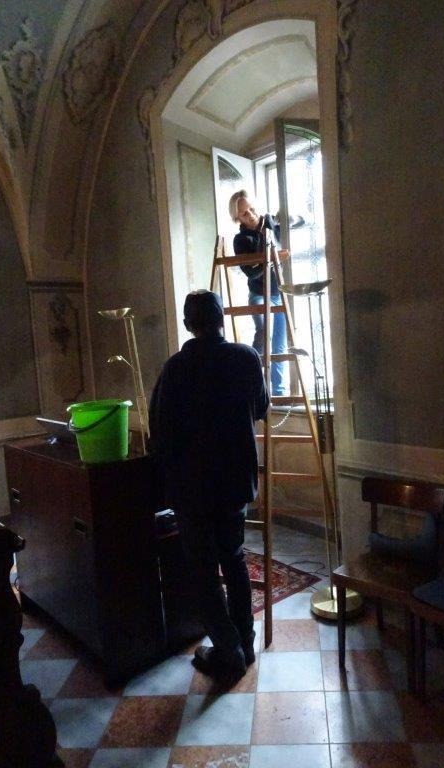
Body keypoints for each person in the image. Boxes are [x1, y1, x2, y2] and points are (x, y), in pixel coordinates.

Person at [149, 290, 269, 682]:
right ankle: (245, 642)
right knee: (234, 560)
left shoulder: (175, 368)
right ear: (221, 319)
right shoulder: (246, 358)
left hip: (193, 490)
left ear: (188, 324)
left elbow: (160, 432)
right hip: (235, 483)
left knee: (202, 571)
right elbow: (261, 408)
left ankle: (228, 650)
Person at [228, 190, 287, 396]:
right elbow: (251, 273)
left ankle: (278, 392)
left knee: (279, 344)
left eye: (252, 209)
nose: (251, 215)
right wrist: (270, 256)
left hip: (279, 291)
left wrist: (276, 221)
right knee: (263, 335)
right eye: (244, 213)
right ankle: (255, 388)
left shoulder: (272, 225)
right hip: (259, 293)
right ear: (237, 217)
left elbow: (298, 223)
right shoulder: (241, 239)